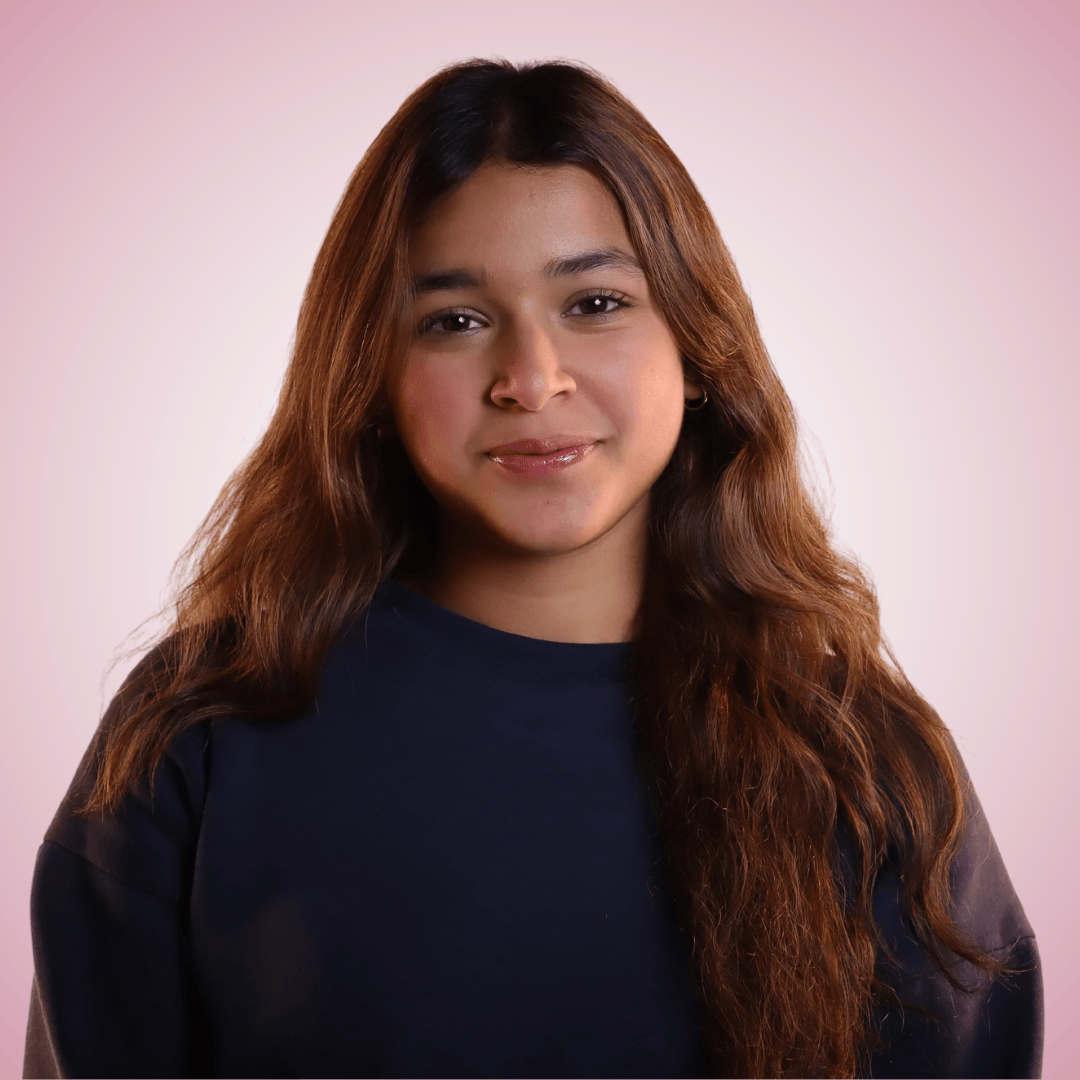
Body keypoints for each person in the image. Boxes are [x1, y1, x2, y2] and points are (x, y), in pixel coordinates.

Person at [23, 59, 1042, 1079]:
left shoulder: (865, 760)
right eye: (455, 320)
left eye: (595, 303)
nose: (530, 378)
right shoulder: (208, 726)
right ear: (372, 373)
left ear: (696, 348)